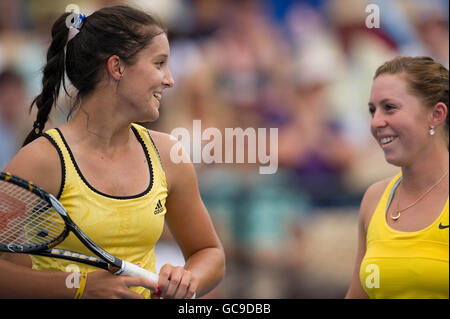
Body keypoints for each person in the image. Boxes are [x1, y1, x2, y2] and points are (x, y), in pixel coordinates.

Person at [0, 5, 225, 299]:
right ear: (117, 67)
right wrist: (78, 288)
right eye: (159, 64)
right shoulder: (42, 160)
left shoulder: (169, 155)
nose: (169, 79)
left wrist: (187, 279)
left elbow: (209, 252)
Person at [346, 56, 449, 299]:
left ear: (436, 114)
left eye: (389, 107)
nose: (376, 122)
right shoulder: (374, 198)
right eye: (372, 110)